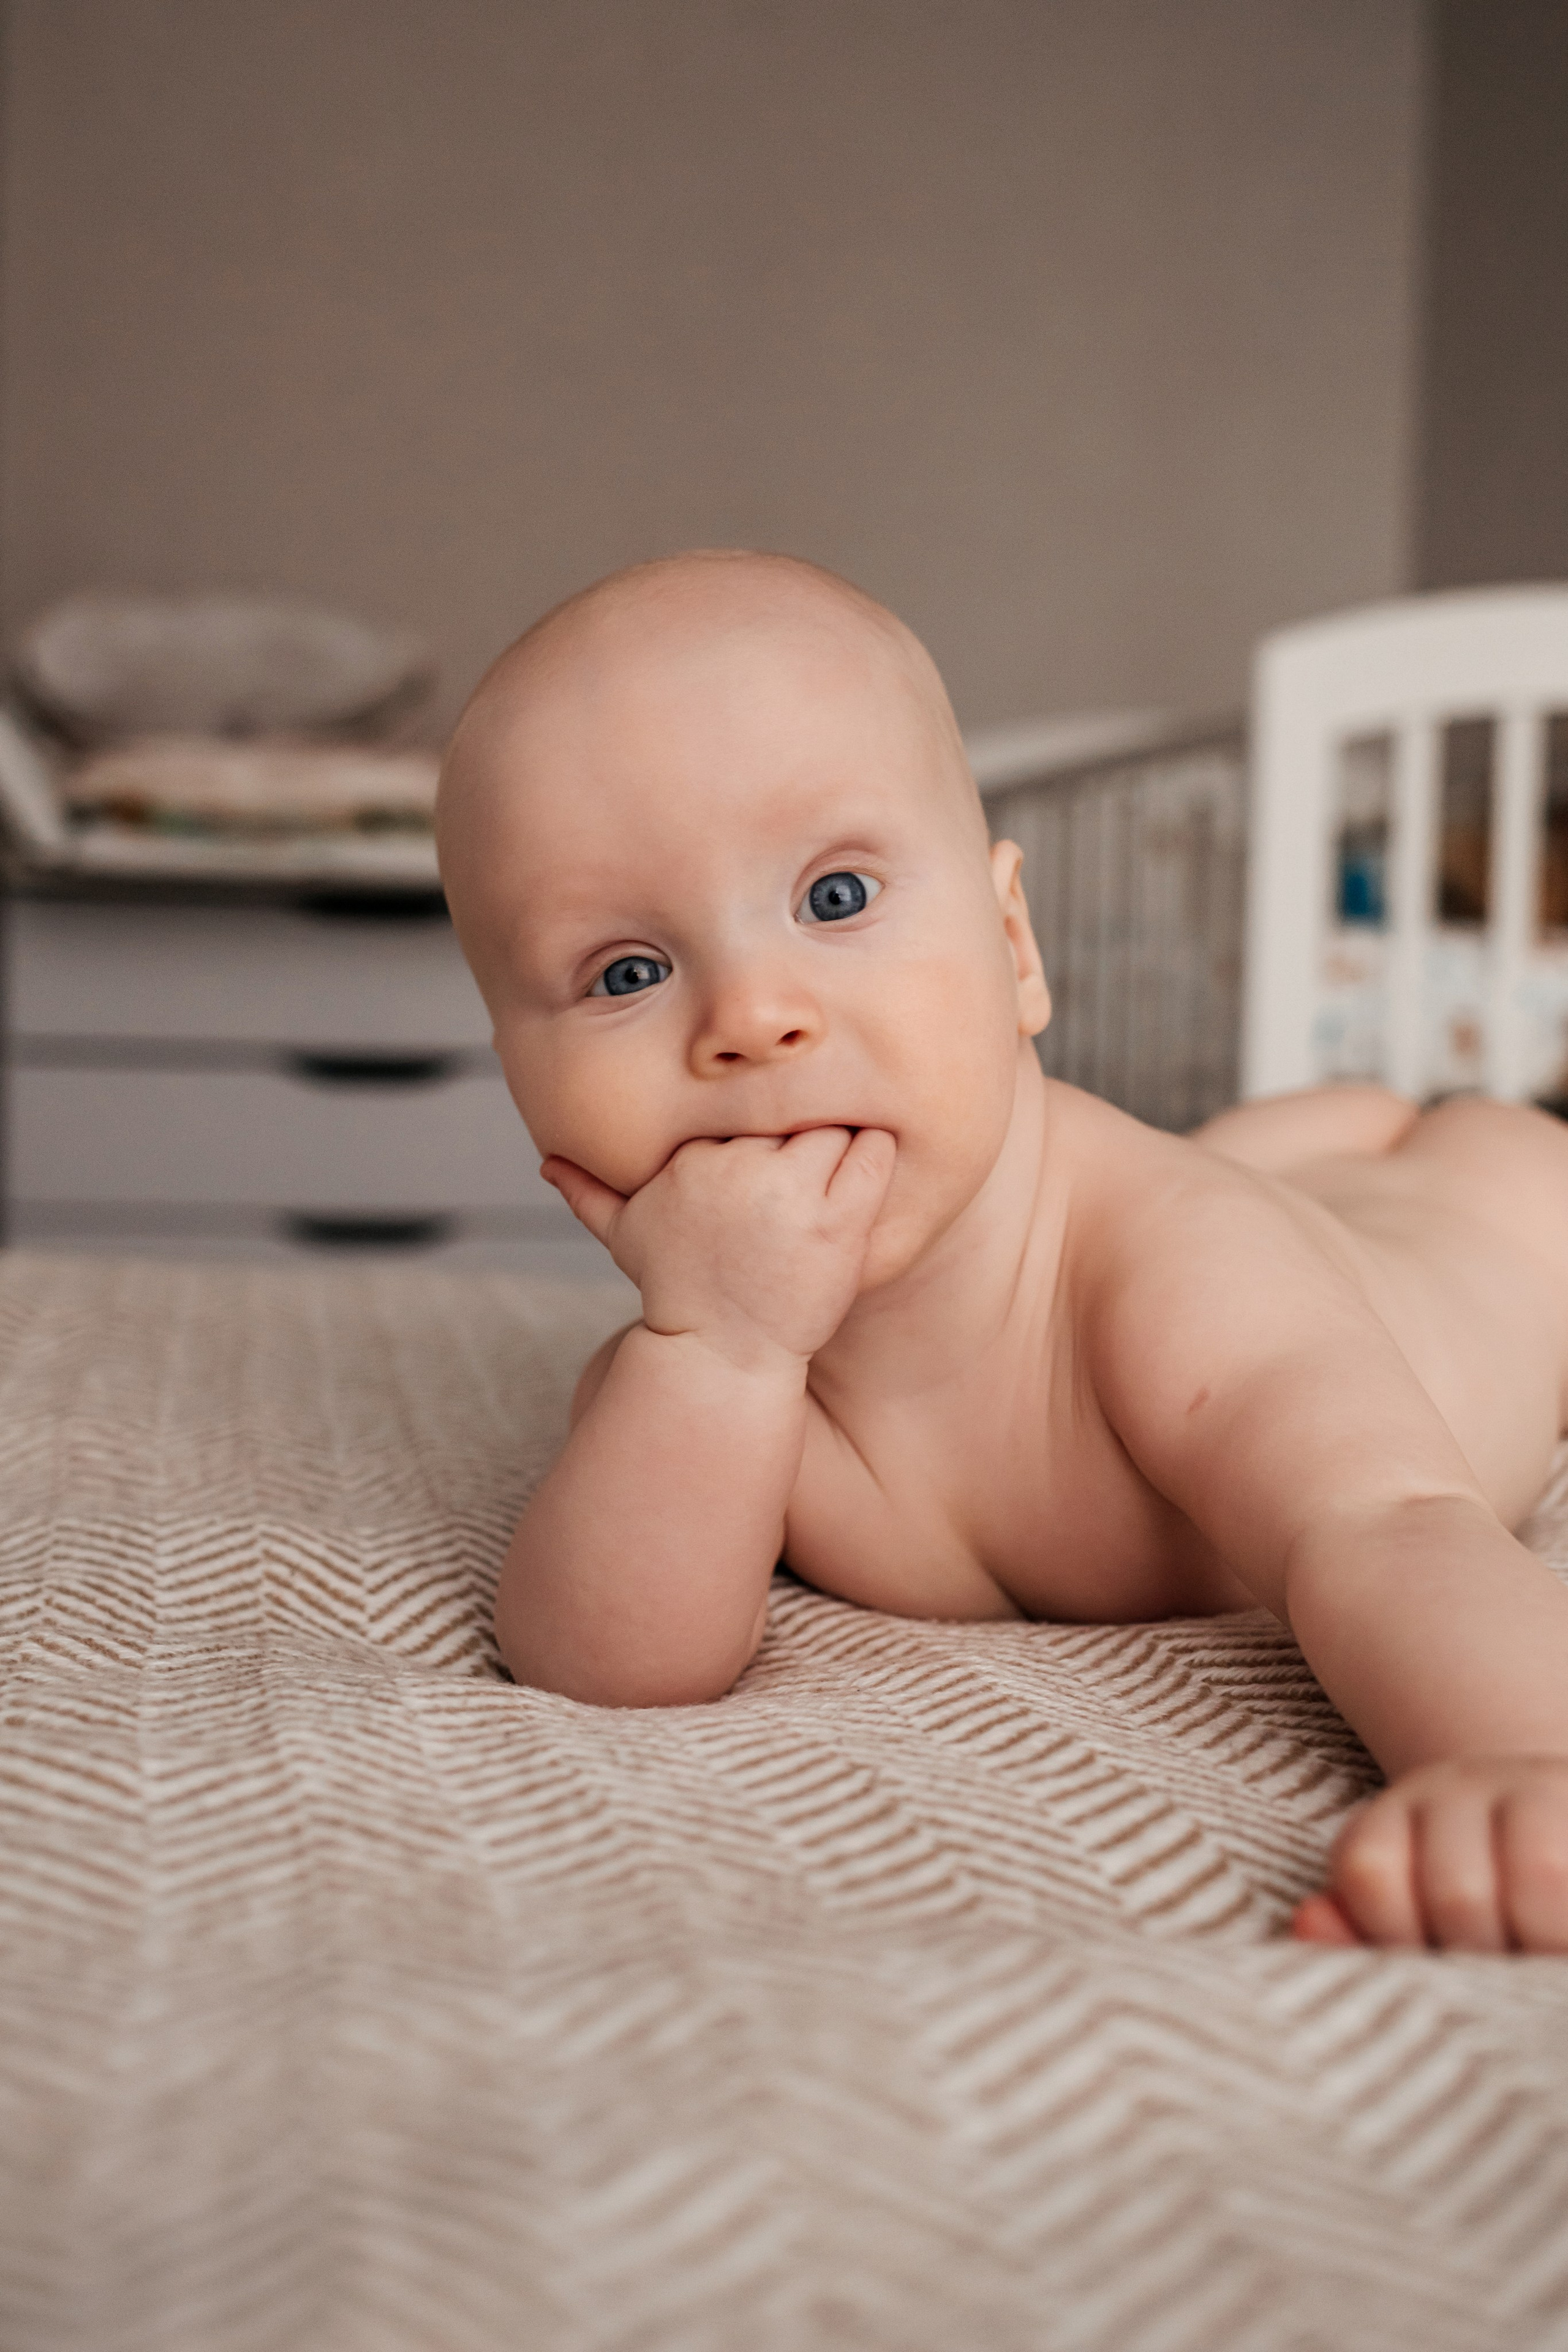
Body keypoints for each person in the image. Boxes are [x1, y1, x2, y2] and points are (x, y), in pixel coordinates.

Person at [436, 548, 1568, 1955]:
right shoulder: (705, 1374)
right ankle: (1295, 1142)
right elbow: (599, 1662)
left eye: (833, 899)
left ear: (1012, 944)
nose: (750, 1015)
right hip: (1245, 1185)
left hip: (1482, 1230)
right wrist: (723, 1348)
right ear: (520, 1086)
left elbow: (1386, 1522)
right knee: (1257, 1160)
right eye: (625, 973)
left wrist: (1524, 1762)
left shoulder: (1169, 1275)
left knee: (1462, 1181)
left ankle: (1363, 1144)